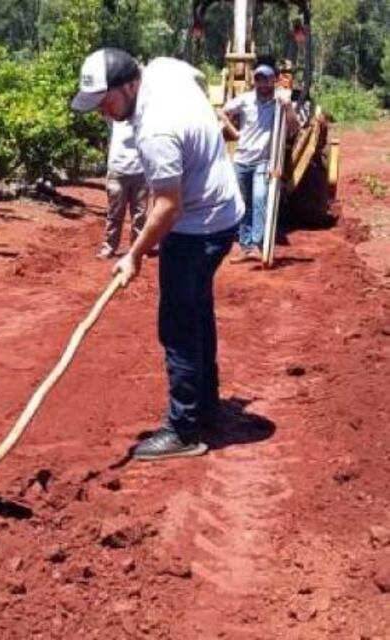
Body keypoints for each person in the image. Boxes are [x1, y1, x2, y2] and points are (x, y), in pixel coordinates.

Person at [71, 49, 244, 461]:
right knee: (198, 311)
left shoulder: (154, 131)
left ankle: (183, 430)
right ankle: (206, 406)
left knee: (179, 325)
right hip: (222, 214)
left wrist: (133, 254)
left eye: (106, 103)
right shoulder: (165, 70)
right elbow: (197, 75)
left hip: (197, 227)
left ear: (130, 85)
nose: (103, 114)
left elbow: (167, 206)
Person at [219, 64, 298, 262]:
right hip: (242, 160)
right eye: (259, 79)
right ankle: (247, 247)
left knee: (261, 199)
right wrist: (234, 132)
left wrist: (288, 108)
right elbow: (222, 111)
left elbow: (294, 128)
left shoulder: (280, 101)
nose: (262, 83)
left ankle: (258, 243)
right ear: (255, 80)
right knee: (243, 204)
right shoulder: (245, 99)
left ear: (274, 80)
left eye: (266, 79)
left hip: (264, 161)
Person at [99, 119, 148, 259]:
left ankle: (138, 249)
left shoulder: (145, 118)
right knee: (114, 213)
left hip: (140, 172)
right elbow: (100, 102)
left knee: (140, 214)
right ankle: (109, 248)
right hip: (117, 172)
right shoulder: (115, 118)